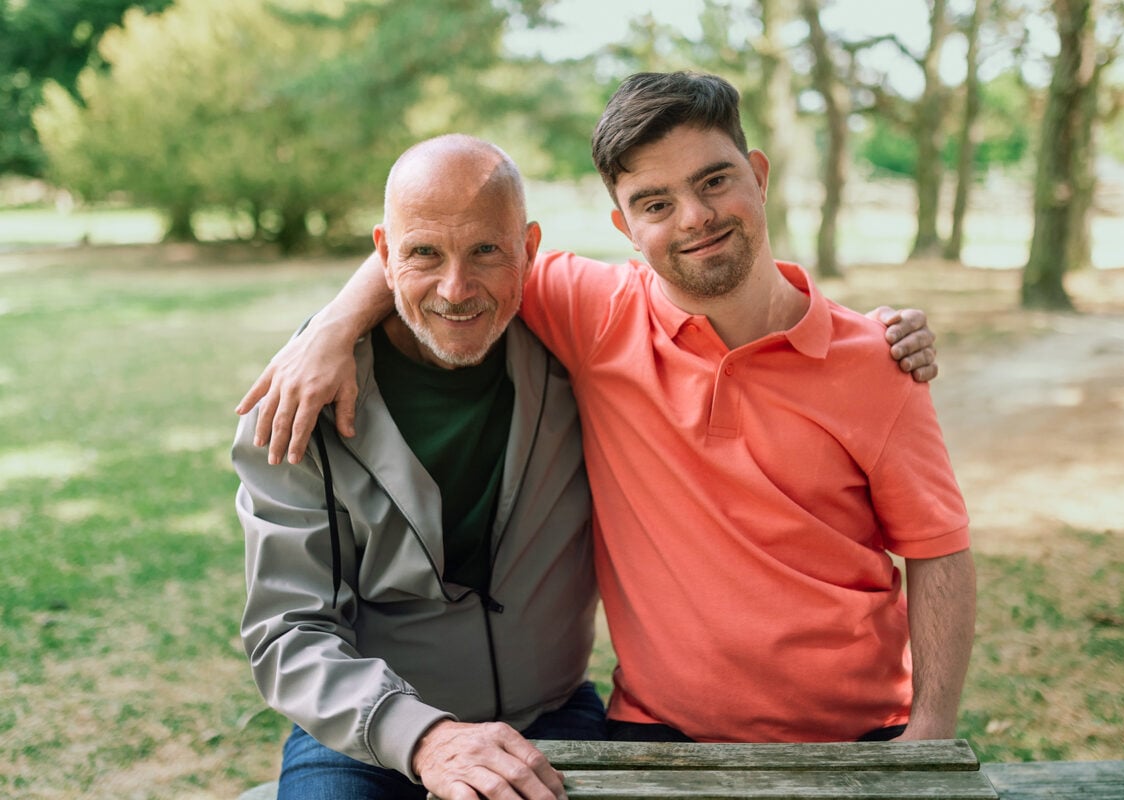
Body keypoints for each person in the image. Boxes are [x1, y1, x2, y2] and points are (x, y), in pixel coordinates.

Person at [238, 72, 957, 791]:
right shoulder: (590, 319)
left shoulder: (868, 360)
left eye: (714, 181)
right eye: (656, 202)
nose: (694, 218)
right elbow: (285, 633)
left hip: (629, 724)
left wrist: (927, 739)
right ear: (625, 225)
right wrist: (326, 329)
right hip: (444, 734)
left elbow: (939, 550)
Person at [235, 136, 603, 800]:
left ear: (529, 247)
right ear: (383, 253)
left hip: (551, 716)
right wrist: (424, 737)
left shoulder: (579, 349)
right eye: (424, 253)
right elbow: (286, 630)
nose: (456, 289)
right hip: (362, 737)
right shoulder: (298, 402)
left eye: (487, 251)